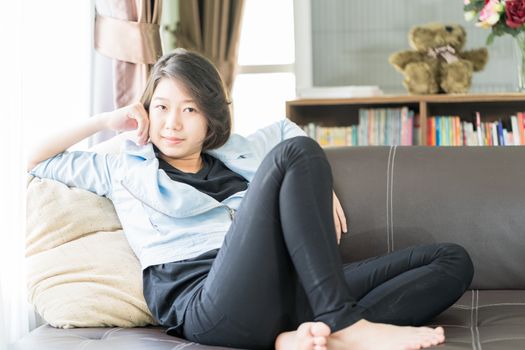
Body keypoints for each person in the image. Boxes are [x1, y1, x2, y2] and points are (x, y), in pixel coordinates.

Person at [28, 49, 474, 350]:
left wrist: (322, 188)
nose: (172, 123)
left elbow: (283, 130)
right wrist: (106, 119)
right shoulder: (123, 165)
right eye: (161, 106)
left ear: (210, 118)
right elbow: (30, 159)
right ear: (146, 110)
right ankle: (347, 323)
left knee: (453, 260)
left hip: (284, 293)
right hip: (208, 301)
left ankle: (315, 336)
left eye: (189, 109)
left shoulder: (233, 152)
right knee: (297, 154)